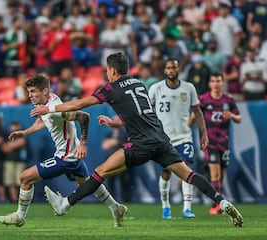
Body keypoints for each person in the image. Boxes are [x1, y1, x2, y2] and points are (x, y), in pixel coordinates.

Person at [38, 52, 243, 228]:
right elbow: (137, 112)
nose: (107, 74)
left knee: (100, 172)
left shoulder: (110, 88)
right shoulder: (138, 83)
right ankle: (222, 202)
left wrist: (49, 108)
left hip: (140, 143)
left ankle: (65, 204)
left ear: (112, 71)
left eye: (107, 71)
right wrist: (115, 123)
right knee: (189, 175)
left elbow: (80, 103)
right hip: (161, 140)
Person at [0, 75, 127, 228]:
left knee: (25, 178)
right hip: (73, 155)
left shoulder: (55, 109)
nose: (30, 95)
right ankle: (115, 207)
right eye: (29, 92)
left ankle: (20, 215)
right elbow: (43, 120)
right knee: (88, 184)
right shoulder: (47, 102)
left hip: (65, 157)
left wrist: (83, 143)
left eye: (33, 91)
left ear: (45, 91)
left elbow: (84, 116)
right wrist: (25, 132)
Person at [148, 58, 208, 219]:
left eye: (174, 67)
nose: (171, 70)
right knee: (166, 173)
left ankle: (187, 208)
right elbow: (147, 112)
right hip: (163, 139)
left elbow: (197, 111)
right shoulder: (156, 88)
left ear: (179, 69)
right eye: (168, 68)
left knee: (187, 169)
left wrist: (204, 133)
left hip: (184, 137)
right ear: (164, 70)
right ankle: (165, 206)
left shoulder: (188, 88)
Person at [189, 72, 241, 215]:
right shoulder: (204, 100)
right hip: (209, 142)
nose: (216, 83)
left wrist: (232, 115)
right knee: (215, 174)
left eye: (218, 81)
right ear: (210, 84)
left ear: (223, 83)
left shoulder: (229, 100)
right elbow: (194, 115)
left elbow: (239, 118)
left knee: (221, 176)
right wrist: (189, 123)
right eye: (213, 81)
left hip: (224, 142)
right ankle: (215, 205)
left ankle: (219, 203)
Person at [1, 121, 28, 202]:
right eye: (13, 125)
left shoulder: (23, 135)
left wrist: (10, 145)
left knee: (20, 181)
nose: (14, 127)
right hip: (9, 161)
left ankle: (22, 198)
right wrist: (12, 145)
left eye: (16, 125)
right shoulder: (7, 136)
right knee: (10, 181)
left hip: (20, 162)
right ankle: (14, 199)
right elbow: (4, 149)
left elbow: (21, 143)